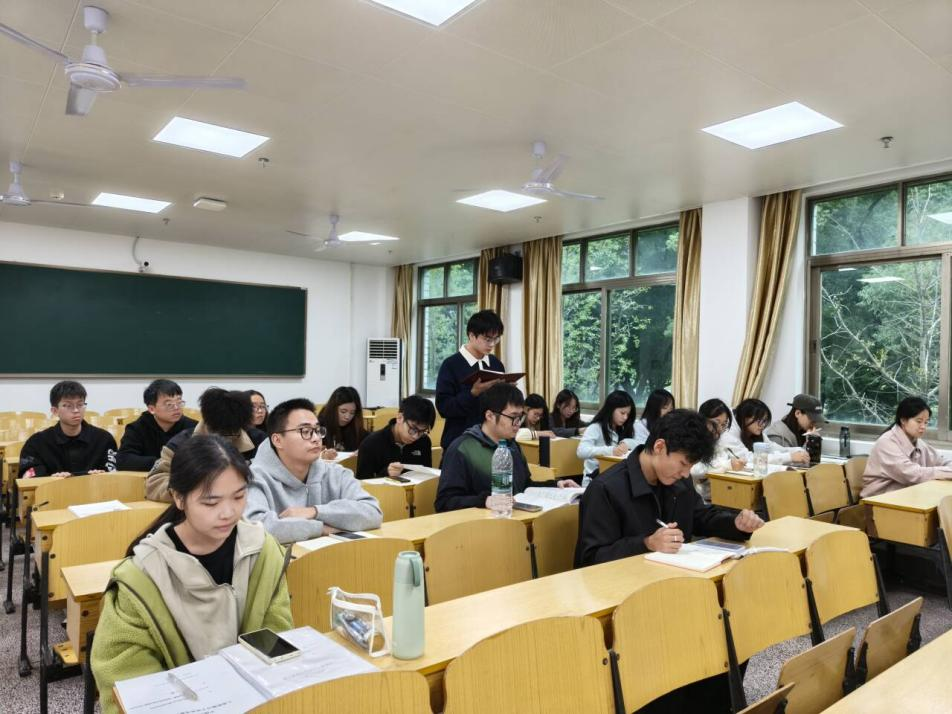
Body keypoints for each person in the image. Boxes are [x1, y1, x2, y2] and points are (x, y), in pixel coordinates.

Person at [575, 410, 764, 712]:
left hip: (674, 591)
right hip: (628, 604)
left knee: (734, 634)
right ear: (660, 446)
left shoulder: (677, 482)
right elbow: (589, 560)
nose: (686, 474)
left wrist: (735, 523)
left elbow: (700, 516)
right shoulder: (606, 488)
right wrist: (646, 544)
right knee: (696, 645)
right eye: (683, 463)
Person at [90, 435, 292, 714]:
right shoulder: (140, 577)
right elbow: (126, 677)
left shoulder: (263, 551)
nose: (228, 513)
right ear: (178, 498)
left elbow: (276, 633)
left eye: (239, 496)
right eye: (210, 503)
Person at [245, 398, 382, 543]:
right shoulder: (254, 478)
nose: (316, 438)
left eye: (317, 430)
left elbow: (372, 512)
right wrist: (321, 529)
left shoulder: (335, 473)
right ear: (278, 440)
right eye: (305, 431)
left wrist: (314, 511)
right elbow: (255, 528)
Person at [436, 383, 576, 512]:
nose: (518, 423)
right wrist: (484, 501)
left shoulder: (512, 445)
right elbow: (444, 502)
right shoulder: (462, 449)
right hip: (480, 525)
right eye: (513, 417)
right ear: (490, 416)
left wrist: (556, 485)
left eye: (520, 417)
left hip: (515, 517)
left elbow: (524, 487)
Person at [146, 387, 267, 502]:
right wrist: (192, 489)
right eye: (220, 434)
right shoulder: (180, 444)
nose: (225, 441)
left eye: (233, 434)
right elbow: (155, 482)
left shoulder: (259, 440)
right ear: (208, 423)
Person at [435, 309, 506, 449]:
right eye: (487, 339)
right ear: (472, 335)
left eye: (496, 339)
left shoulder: (496, 364)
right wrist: (472, 393)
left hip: (491, 441)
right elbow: (444, 408)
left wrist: (507, 392)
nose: (492, 344)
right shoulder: (451, 365)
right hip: (459, 442)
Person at [18, 380, 116, 477]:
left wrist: (100, 476)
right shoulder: (36, 443)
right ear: (55, 411)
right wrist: (52, 479)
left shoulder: (104, 439)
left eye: (80, 404)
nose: (76, 410)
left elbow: (113, 474)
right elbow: (28, 477)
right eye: (68, 405)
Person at [861, 397, 952, 497]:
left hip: (904, 497)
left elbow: (941, 461)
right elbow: (913, 474)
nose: (923, 426)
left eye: (926, 422)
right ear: (903, 420)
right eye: (919, 421)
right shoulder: (886, 442)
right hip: (878, 500)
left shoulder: (918, 442)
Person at [116, 379, 197, 471]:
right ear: (151, 409)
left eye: (179, 402)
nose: (176, 408)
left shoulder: (193, 427)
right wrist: (162, 463)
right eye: (169, 404)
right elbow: (123, 460)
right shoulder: (137, 428)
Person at [355, 395, 436, 479]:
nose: (416, 436)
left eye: (422, 431)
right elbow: (362, 483)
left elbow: (427, 476)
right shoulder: (370, 444)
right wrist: (386, 473)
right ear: (400, 418)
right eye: (413, 429)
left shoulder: (424, 441)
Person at [721, 398, 810, 467]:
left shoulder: (754, 432)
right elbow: (748, 459)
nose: (763, 425)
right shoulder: (728, 433)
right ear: (745, 418)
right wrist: (789, 457)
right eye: (760, 421)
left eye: (765, 421)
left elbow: (772, 447)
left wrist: (798, 451)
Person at [689, 398, 747, 504]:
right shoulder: (693, 440)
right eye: (716, 422)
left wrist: (735, 463)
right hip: (700, 501)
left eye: (724, 424)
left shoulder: (718, 441)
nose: (720, 429)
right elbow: (694, 471)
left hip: (719, 498)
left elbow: (724, 461)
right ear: (702, 420)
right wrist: (727, 465)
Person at [577, 390, 637, 479]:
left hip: (616, 478)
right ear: (611, 409)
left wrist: (626, 443)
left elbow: (640, 444)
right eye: (622, 413)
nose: (625, 417)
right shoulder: (596, 427)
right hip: (594, 479)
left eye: (628, 414)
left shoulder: (624, 428)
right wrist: (611, 450)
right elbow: (581, 451)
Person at [317, 386, 367, 457]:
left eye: (352, 413)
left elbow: (370, 441)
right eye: (343, 411)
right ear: (333, 409)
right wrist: (322, 454)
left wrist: (363, 451)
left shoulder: (355, 427)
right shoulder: (320, 425)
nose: (347, 417)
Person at [516, 393, 580, 440]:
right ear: (526, 409)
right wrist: (539, 434)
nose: (538, 418)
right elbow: (517, 435)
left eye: (540, 415)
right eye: (535, 414)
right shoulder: (518, 420)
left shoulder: (542, 421)